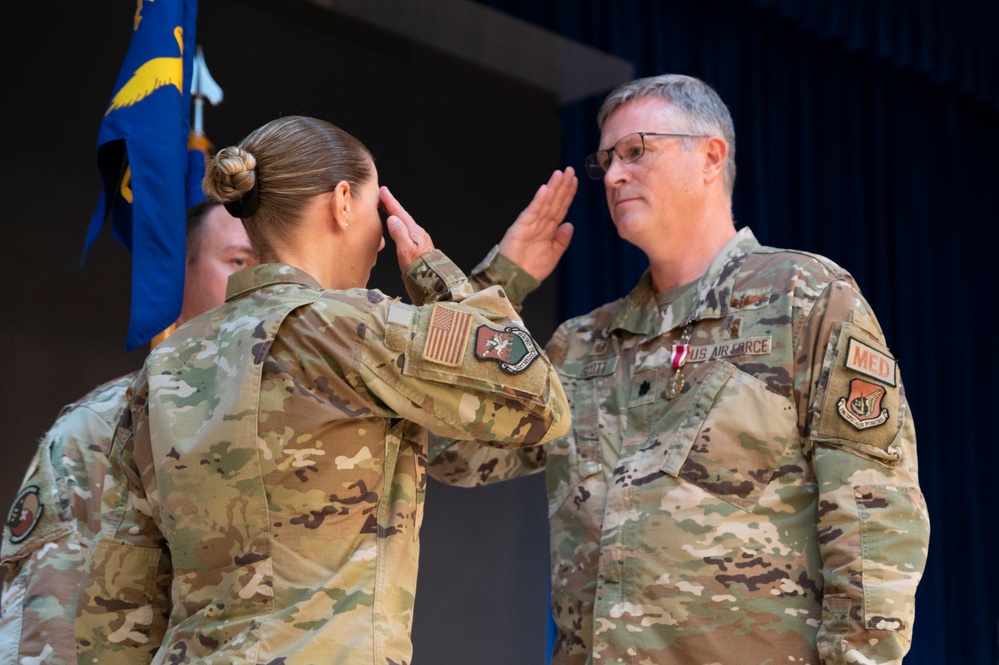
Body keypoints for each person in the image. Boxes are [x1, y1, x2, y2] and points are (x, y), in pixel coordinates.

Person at [430, 74, 930, 664]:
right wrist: (499, 288)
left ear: (711, 157)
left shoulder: (804, 298)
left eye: (637, 151)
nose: (614, 176)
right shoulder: (581, 345)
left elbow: (875, 515)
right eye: (607, 160)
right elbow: (448, 449)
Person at [75, 115, 572, 665]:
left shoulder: (166, 363)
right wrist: (437, 277)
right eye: (373, 211)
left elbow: (120, 590)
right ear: (341, 202)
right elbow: (538, 401)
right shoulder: (355, 327)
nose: (382, 237)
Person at [0, 200, 256, 665]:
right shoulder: (110, 424)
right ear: (179, 275)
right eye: (240, 262)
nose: (262, 283)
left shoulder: (340, 406)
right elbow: (51, 634)